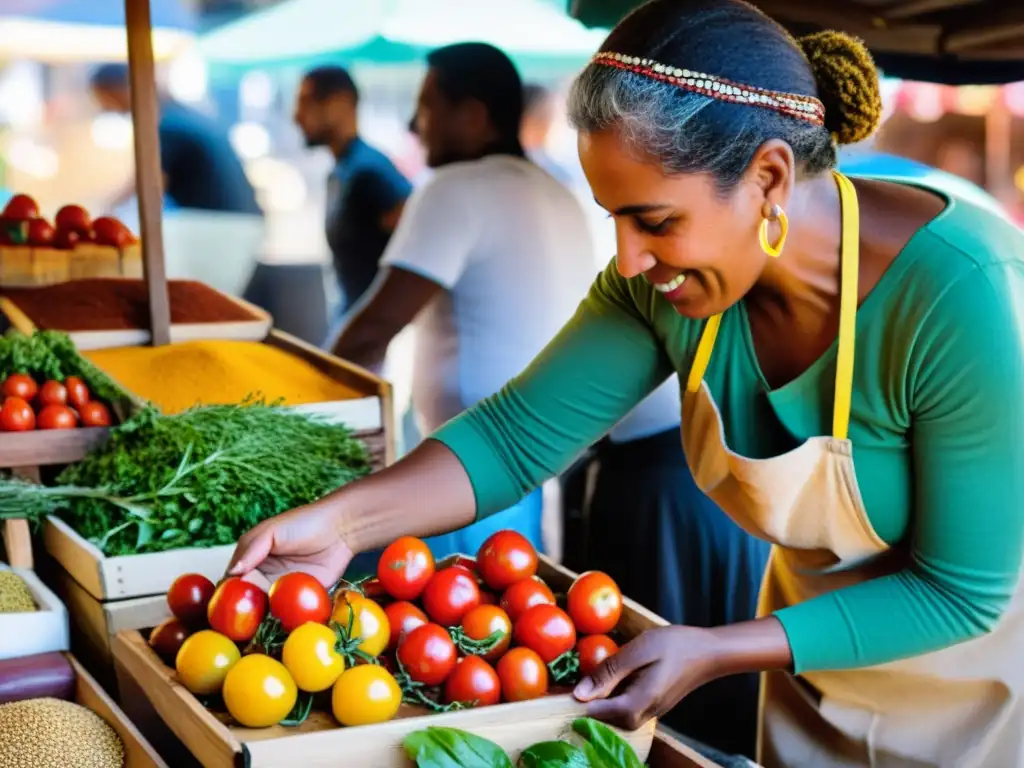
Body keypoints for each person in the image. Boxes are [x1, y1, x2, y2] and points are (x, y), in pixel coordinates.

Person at [229, 2, 1024, 765]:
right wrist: (340, 525)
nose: (631, 258)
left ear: (770, 179)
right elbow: (513, 438)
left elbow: (958, 591)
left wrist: (717, 649)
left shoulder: (961, 292)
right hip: (808, 673)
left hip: (969, 694)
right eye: (613, 217)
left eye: (655, 220)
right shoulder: (663, 284)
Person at [323, 42, 598, 569]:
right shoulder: (555, 191)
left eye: (426, 107)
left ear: (472, 115)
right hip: (530, 462)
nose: (412, 124)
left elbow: (372, 329)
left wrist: (301, 416)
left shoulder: (455, 187)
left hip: (466, 474)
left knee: (453, 632)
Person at [89, 64, 264, 295]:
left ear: (121, 89)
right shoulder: (181, 115)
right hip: (237, 222)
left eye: (104, 98)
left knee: (196, 303)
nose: (105, 107)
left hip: (218, 227)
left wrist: (105, 210)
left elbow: (149, 185)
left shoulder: (168, 125)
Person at [293, 66, 412, 317]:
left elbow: (415, 249)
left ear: (340, 102)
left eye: (306, 102)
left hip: (368, 337)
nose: (297, 116)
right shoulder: (343, 170)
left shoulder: (369, 172)